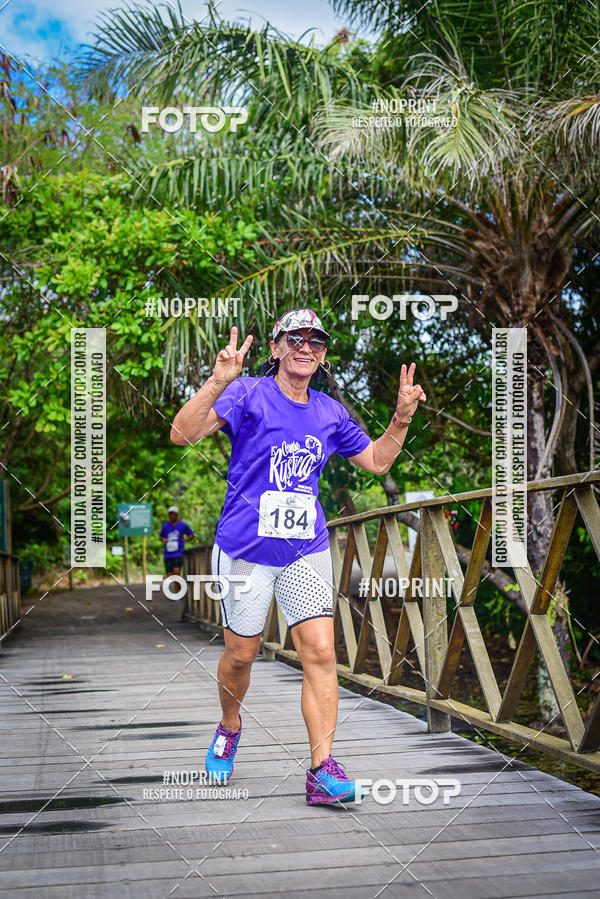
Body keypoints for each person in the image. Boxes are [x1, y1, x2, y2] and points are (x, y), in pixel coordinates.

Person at [170, 308, 426, 804]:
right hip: (244, 548)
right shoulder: (247, 393)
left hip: (305, 549)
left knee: (322, 653)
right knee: (241, 657)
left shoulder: (330, 412)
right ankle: (229, 724)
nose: (305, 347)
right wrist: (218, 380)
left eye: (316, 341)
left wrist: (400, 420)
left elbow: (375, 461)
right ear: (275, 348)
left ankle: (321, 771)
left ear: (324, 355)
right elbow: (182, 433)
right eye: (295, 339)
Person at [159, 506, 194, 577]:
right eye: (170, 514)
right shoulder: (165, 526)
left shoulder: (182, 525)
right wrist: (164, 539)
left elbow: (191, 534)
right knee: (169, 574)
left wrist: (186, 539)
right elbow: (161, 536)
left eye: (173, 514)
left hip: (178, 552)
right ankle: (175, 586)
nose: (172, 516)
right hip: (168, 553)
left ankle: (177, 588)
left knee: (176, 571)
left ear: (177, 515)